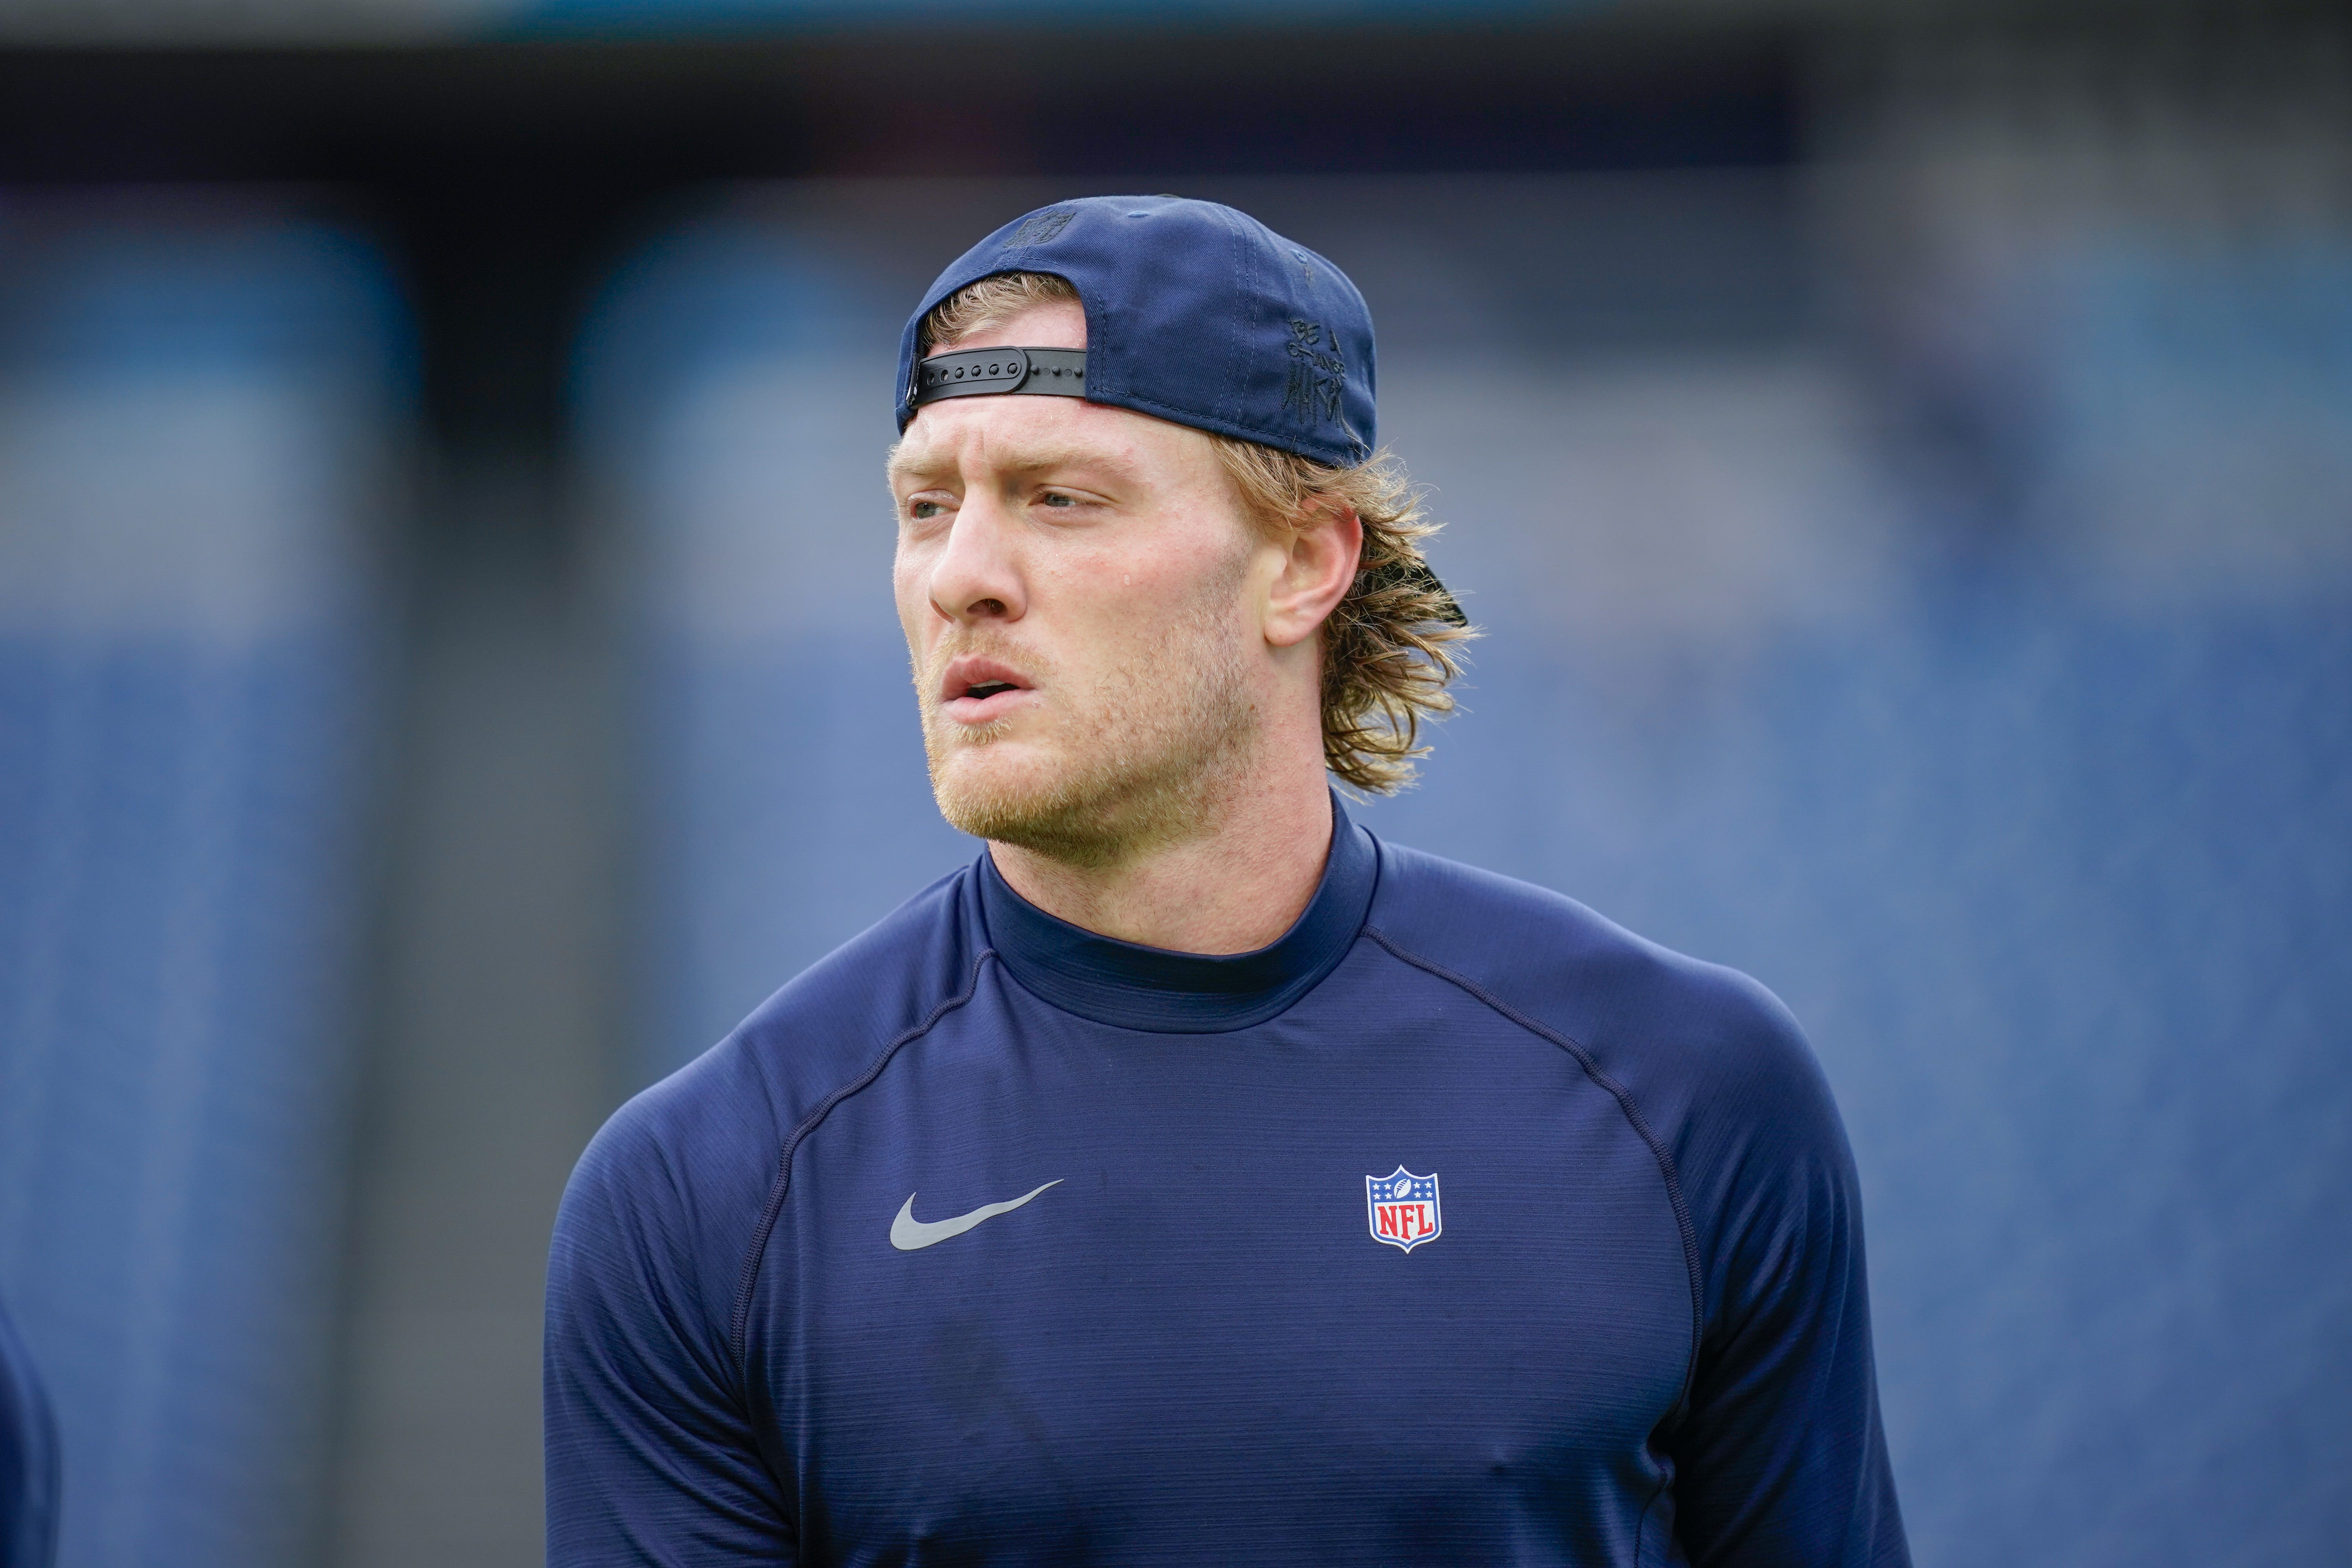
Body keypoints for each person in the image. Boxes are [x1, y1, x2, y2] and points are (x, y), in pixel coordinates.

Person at [545, 194, 1909, 1565]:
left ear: (1306, 562)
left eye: (1060, 499)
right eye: (925, 506)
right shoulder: (707, 1199)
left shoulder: (1687, 1099)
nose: (961, 575)